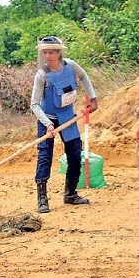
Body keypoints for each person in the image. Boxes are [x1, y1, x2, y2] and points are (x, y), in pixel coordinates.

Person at [29, 36, 98, 214]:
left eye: (51, 52)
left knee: (75, 154)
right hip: (47, 119)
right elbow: (34, 104)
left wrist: (93, 98)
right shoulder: (42, 75)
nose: (48, 56)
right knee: (45, 156)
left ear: (59, 53)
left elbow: (84, 76)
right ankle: (42, 199)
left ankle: (71, 194)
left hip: (67, 117)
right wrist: (47, 124)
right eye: (45, 52)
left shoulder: (71, 66)